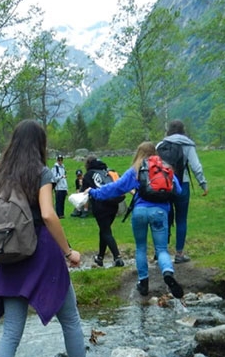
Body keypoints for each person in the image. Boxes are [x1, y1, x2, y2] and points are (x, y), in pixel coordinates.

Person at [0, 120, 104, 357]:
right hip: (42, 254)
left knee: (11, 331)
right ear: (39, 143)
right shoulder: (41, 172)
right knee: (71, 319)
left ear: (13, 143)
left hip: (10, 255)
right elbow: (49, 215)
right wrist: (69, 251)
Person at [87, 141, 184, 299]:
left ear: (139, 153)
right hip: (159, 212)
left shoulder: (135, 169)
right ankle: (167, 273)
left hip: (139, 212)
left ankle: (143, 283)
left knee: (141, 248)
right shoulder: (165, 168)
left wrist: (94, 193)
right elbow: (178, 191)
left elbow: (116, 187)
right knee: (161, 249)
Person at [156, 119, 208, 263]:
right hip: (182, 184)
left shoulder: (161, 145)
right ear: (183, 130)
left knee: (164, 217)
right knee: (181, 219)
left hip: (164, 186)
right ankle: (179, 254)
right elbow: (196, 166)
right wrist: (203, 184)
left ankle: (160, 251)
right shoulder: (187, 144)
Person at [80, 156, 125, 268]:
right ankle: (100, 258)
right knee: (104, 231)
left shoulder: (89, 174)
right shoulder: (107, 172)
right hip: (114, 205)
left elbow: (83, 192)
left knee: (106, 232)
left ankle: (117, 257)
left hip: (101, 206)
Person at [50, 154, 68, 218]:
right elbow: (54, 178)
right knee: (59, 201)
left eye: (61, 160)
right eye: (59, 160)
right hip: (58, 187)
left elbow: (65, 179)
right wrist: (61, 176)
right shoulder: (55, 168)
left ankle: (62, 214)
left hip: (63, 187)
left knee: (62, 201)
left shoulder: (63, 167)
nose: (60, 161)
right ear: (57, 160)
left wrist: (66, 188)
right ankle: (58, 214)